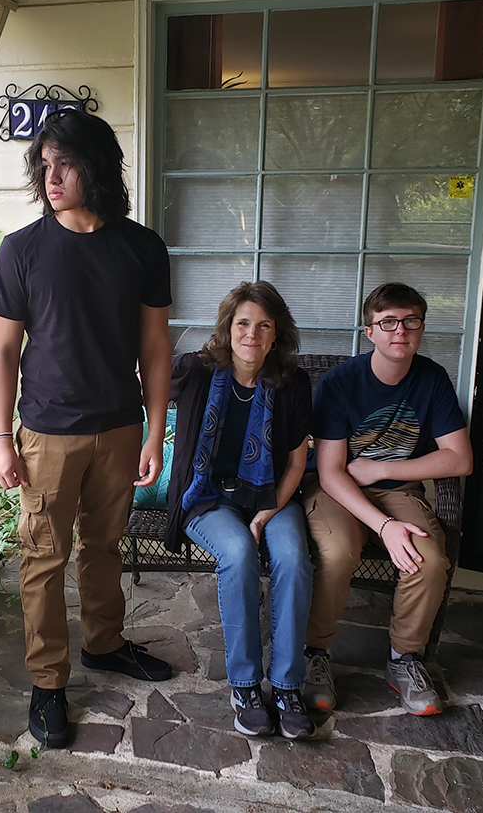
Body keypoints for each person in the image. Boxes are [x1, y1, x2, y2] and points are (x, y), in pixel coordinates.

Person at [0, 109, 173, 749]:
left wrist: (154, 432)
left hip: (120, 428)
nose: (50, 176)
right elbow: (2, 351)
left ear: (94, 166)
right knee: (43, 558)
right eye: (43, 164)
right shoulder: (23, 250)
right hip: (46, 434)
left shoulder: (141, 247)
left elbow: (154, 346)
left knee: (105, 547)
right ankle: (48, 683)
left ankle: (105, 643)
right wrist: (1, 440)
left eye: (63, 163)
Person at [301, 282, 473, 716]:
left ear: (420, 327)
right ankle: (314, 654)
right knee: (339, 552)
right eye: (388, 322)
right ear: (370, 331)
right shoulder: (340, 384)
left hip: (396, 490)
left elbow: (459, 459)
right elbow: (330, 471)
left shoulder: (431, 379)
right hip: (336, 489)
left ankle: (405, 658)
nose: (401, 331)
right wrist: (383, 526)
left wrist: (383, 469)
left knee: (429, 559)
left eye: (411, 321)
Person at [166, 281, 315, 739]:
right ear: (228, 328)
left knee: (292, 556)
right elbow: (143, 386)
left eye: (264, 325)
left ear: (276, 334)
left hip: (270, 493)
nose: (252, 333)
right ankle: (246, 686)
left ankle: (288, 686)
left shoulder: (291, 382)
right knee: (238, 554)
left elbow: (296, 460)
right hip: (206, 496)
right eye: (243, 323)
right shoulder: (195, 370)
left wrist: (267, 513)